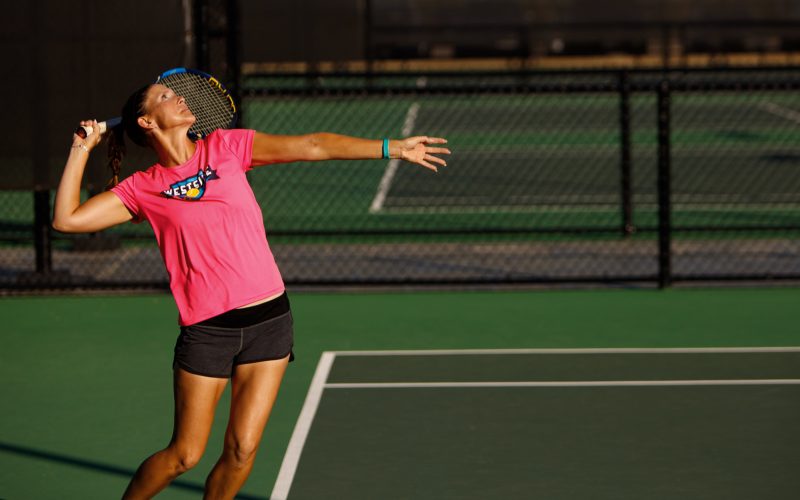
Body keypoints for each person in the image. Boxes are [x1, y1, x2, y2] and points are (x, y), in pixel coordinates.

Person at [52, 82, 449, 499]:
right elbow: (67, 220)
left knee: (242, 450)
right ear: (147, 121)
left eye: (176, 92)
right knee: (185, 455)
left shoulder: (227, 147)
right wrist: (82, 148)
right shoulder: (143, 188)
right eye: (166, 96)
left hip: (270, 321)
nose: (181, 98)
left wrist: (392, 148)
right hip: (209, 330)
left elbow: (313, 145)